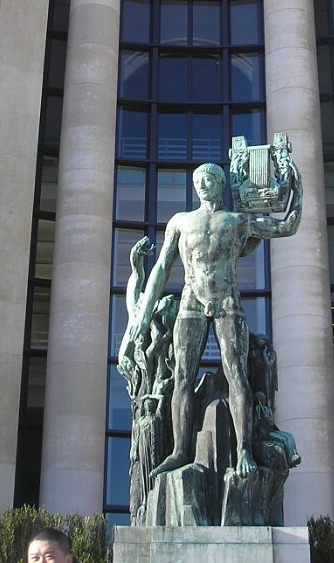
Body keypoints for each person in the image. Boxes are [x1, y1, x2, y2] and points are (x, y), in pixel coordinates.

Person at [128, 160, 302, 479]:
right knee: (183, 375)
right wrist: (143, 312)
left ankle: (244, 449)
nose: (202, 185)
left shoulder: (237, 221)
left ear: (221, 184)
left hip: (226, 299)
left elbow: (286, 226)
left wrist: (296, 188)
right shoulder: (181, 222)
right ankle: (180, 451)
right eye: (198, 181)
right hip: (192, 299)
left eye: (208, 179)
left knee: (237, 374)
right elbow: (162, 268)